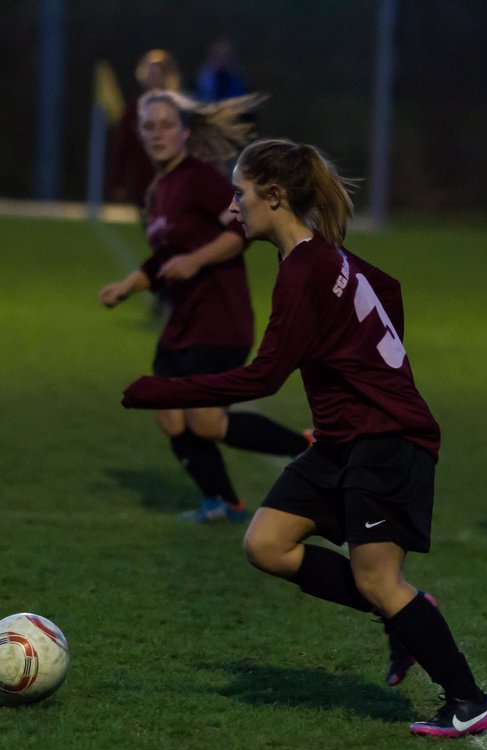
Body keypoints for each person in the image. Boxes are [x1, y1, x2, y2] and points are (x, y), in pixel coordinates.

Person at [122, 139, 487, 738]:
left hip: (387, 439)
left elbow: (263, 376)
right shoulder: (324, 257)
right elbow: (389, 290)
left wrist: (163, 390)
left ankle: (469, 701)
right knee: (266, 545)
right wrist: (353, 385)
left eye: (240, 194)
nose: (232, 207)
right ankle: (403, 617)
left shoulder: (304, 270)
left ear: (274, 196)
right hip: (344, 438)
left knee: (379, 579)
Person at [100, 91, 309, 523]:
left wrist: (195, 260)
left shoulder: (199, 179)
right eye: (149, 127)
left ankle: (311, 448)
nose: (157, 134)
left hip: (218, 320)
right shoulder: (160, 189)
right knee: (170, 417)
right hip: (182, 325)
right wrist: (127, 287)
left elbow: (241, 229)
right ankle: (223, 502)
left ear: (185, 132)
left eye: (165, 125)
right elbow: (162, 259)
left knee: (206, 422)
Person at [106, 50, 182, 208]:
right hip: (142, 180)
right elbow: (122, 145)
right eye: (150, 73)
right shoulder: (135, 108)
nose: (154, 78)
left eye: (158, 73)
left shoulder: (177, 106)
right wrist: (117, 180)